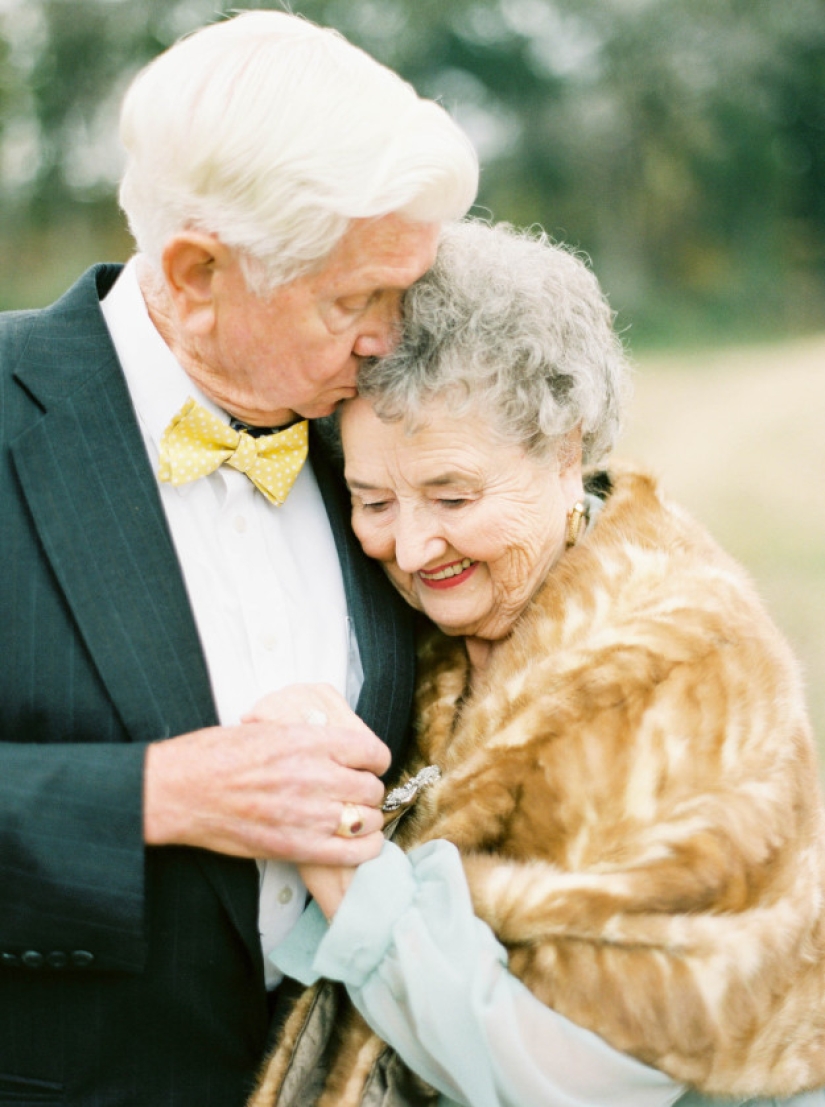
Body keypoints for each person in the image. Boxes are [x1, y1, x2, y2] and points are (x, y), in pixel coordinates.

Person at [0, 11, 479, 1105]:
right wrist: (154, 795)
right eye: (354, 299)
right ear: (197, 271)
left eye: (403, 291)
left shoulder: (384, 429)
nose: (390, 338)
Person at [247, 220, 825, 1107]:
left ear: (566, 451)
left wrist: (343, 862)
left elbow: (574, 1081)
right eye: (373, 501)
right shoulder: (427, 615)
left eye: (452, 495)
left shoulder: (678, 671)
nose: (411, 546)